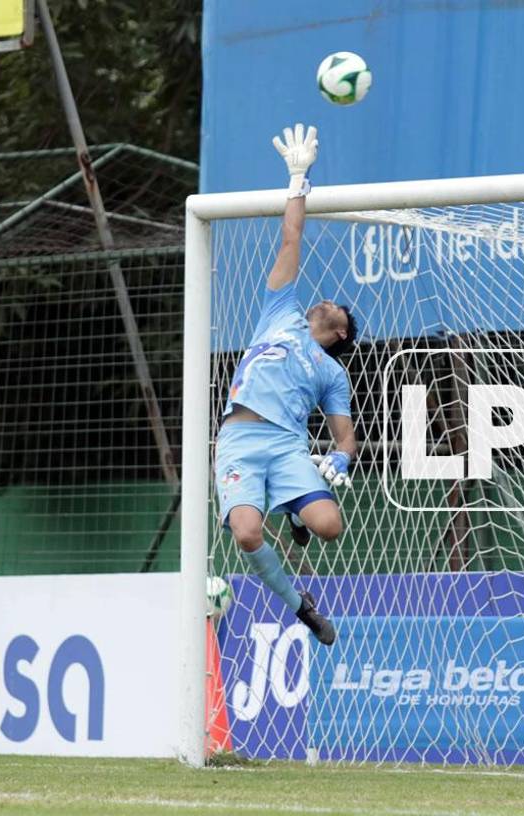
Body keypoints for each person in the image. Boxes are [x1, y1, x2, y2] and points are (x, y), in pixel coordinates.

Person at [216, 123, 359, 646]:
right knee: (247, 533)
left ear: (339, 332)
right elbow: (291, 237)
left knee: (329, 526)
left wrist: (342, 458)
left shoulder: (331, 372)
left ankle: (298, 510)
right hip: (240, 438)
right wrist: (298, 177)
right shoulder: (281, 311)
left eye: (337, 308)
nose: (326, 300)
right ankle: (301, 606)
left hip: (284, 445)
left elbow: (345, 436)